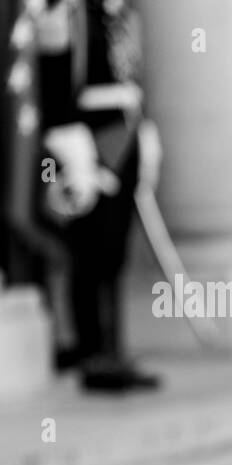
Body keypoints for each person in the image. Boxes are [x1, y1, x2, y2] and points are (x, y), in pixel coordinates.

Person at [17, 0, 162, 392]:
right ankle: (91, 354)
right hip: (87, 143)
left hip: (125, 139)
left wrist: (144, 133)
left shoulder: (123, 17)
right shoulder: (68, 14)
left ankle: (114, 349)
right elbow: (55, 82)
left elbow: (131, 77)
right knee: (90, 251)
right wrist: (73, 152)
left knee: (115, 252)